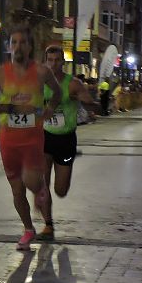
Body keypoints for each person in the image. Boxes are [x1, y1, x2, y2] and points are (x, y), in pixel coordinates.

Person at [0, 27, 63, 251]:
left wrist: (50, 109)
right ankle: (28, 229)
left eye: (22, 43)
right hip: (9, 140)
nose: (17, 47)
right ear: (9, 47)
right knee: (17, 190)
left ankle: (40, 189)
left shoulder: (42, 72)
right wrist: (12, 107)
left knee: (30, 181)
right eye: (13, 42)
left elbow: (57, 92)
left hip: (32, 139)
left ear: (29, 47)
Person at [36, 45, 96, 242]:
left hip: (66, 139)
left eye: (57, 60)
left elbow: (91, 105)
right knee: (42, 184)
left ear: (63, 62)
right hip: (44, 138)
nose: (54, 64)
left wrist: (85, 100)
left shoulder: (73, 84)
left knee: (60, 190)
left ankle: (50, 208)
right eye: (50, 60)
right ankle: (48, 226)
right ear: (45, 61)